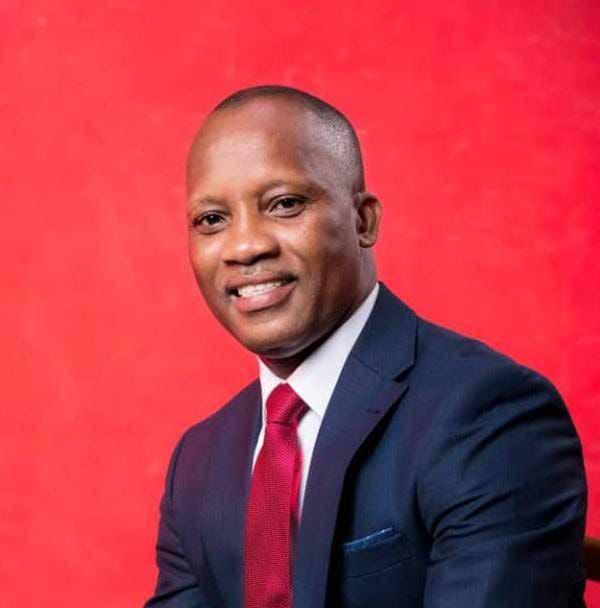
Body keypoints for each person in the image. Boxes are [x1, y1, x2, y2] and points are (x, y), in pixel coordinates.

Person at [144, 85, 587, 607]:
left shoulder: (487, 415)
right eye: (212, 220)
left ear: (363, 221)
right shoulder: (199, 462)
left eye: (285, 205)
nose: (245, 246)